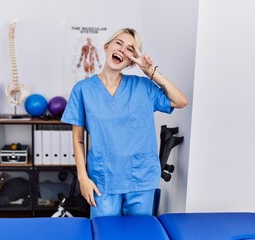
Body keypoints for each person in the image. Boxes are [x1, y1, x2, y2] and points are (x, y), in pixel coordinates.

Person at [61, 28, 188, 218]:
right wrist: (82, 177)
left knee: (137, 235)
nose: (122, 50)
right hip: (103, 179)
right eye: (119, 43)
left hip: (141, 178)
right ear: (107, 47)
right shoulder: (83, 90)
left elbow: (180, 101)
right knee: (105, 233)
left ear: (131, 61)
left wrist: (150, 71)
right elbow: (78, 138)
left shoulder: (143, 86)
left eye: (130, 49)